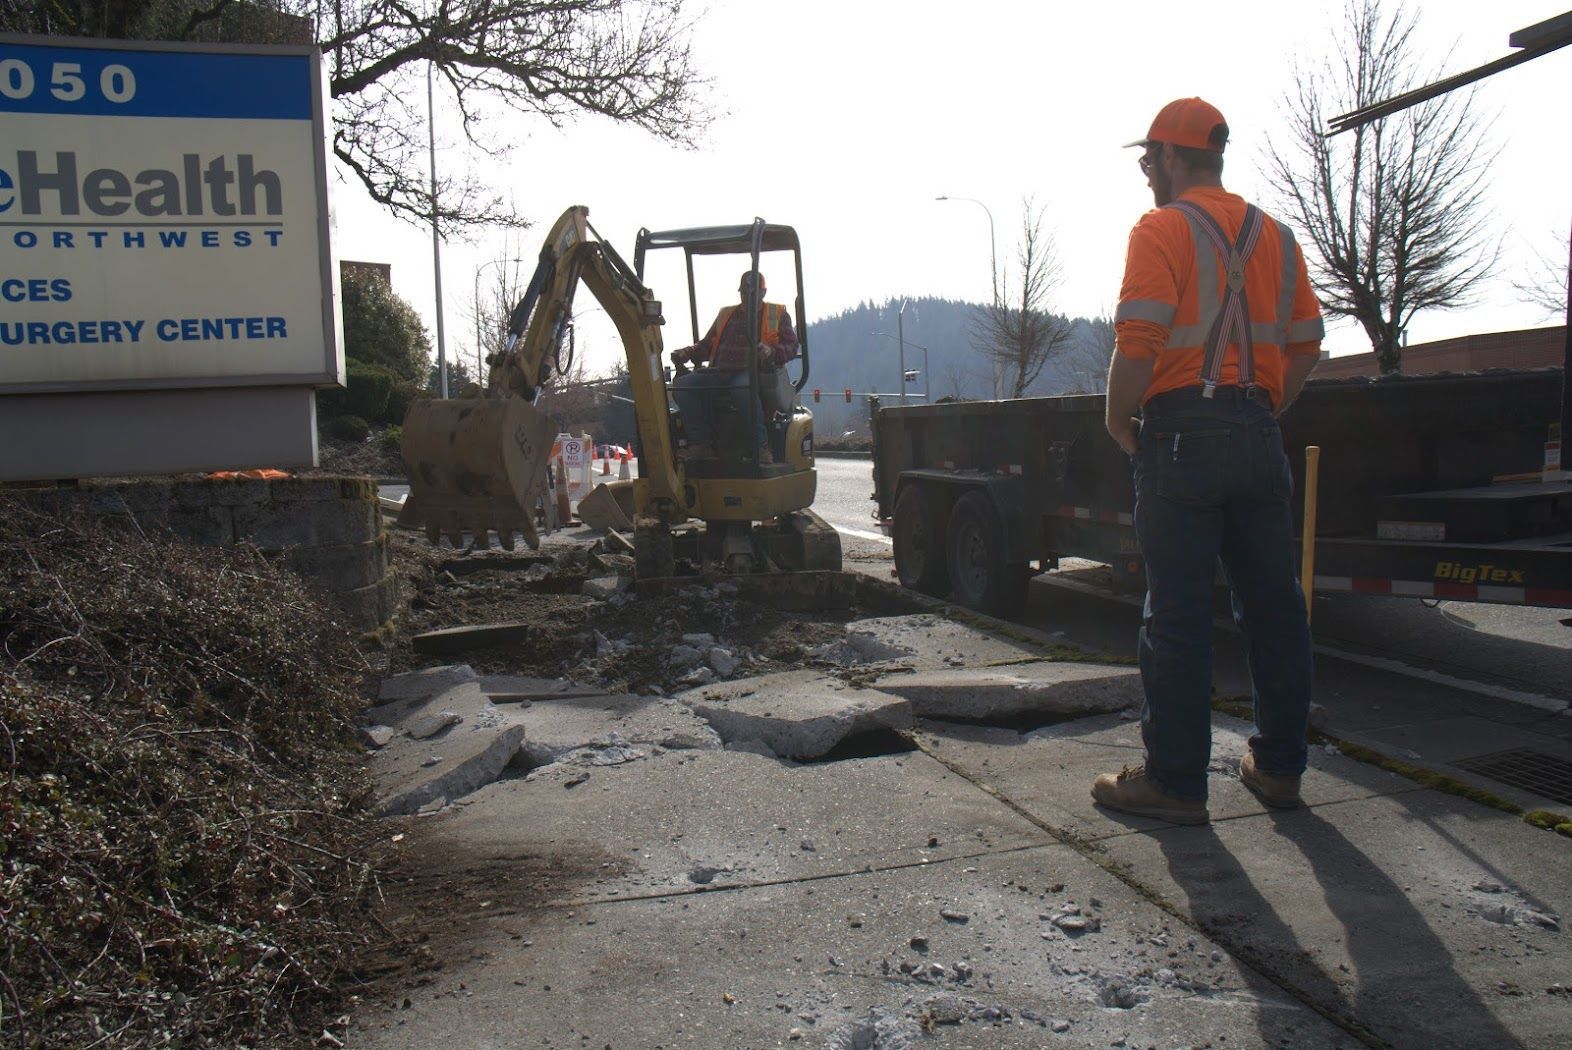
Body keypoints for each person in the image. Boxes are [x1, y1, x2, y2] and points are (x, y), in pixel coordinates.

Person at [1092, 98, 1324, 825]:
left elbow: (1140, 339)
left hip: (1181, 437)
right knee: (1276, 611)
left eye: (1148, 156)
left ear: (1173, 157)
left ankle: (1175, 781)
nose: (1142, 169)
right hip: (1257, 431)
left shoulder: (1160, 229)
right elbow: (1308, 339)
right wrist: (1262, 411)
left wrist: (1117, 418)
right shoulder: (1276, 237)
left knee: (1179, 617)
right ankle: (1280, 771)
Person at [670, 271, 798, 464]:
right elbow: (707, 345)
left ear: (763, 293)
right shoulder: (726, 315)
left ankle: (761, 446)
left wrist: (771, 351)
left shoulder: (777, 314)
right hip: (718, 371)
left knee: (742, 390)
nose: (747, 297)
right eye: (744, 293)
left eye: (752, 293)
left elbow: (791, 345)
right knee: (682, 386)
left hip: (752, 373)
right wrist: (686, 352)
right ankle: (701, 443)